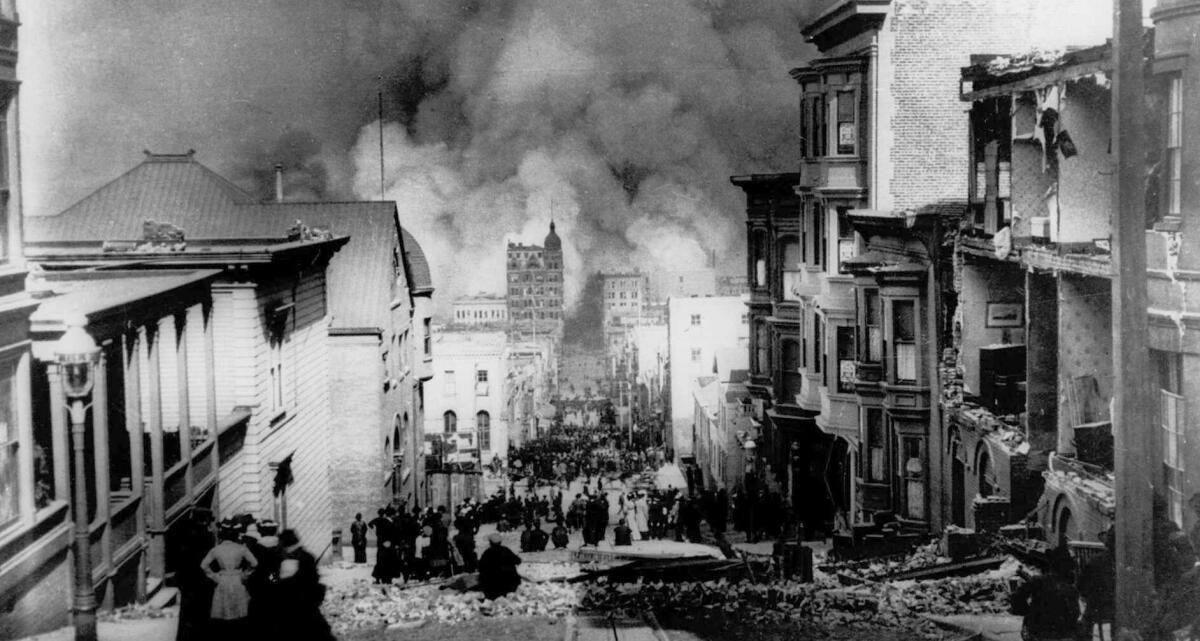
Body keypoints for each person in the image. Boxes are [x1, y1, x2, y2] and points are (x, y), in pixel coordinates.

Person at [1009, 546, 1080, 641]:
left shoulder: (1038, 581)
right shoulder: (1071, 589)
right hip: (1064, 634)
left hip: (1038, 633)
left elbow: (1016, 599)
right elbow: (1075, 614)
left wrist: (1028, 612)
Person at [200, 520, 258, 637]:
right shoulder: (241, 548)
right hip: (237, 580)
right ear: (235, 535)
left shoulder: (216, 549)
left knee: (224, 612)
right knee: (239, 613)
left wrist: (214, 576)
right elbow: (254, 563)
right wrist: (245, 575)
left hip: (222, 580)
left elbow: (203, 565)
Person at [275, 529, 335, 641]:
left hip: (294, 605)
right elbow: (314, 578)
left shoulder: (282, 559)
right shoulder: (307, 556)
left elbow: (280, 582)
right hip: (307, 604)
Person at [176, 508, 215, 641]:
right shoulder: (208, 537)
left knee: (187, 616)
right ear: (205, 521)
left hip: (188, 582)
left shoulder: (184, 535)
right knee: (203, 615)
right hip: (203, 582)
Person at [478, 533, 522, 600]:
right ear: (500, 542)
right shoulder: (506, 550)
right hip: (509, 584)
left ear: (490, 543)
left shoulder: (487, 553)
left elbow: (480, 567)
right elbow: (518, 561)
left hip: (492, 586)